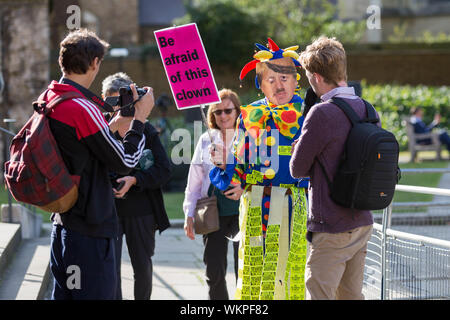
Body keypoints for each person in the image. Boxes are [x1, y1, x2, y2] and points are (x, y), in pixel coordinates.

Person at [47, 29, 155, 300]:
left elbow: (79, 150)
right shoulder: (83, 108)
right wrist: (139, 119)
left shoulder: (53, 98)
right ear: (95, 63)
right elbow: (126, 161)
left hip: (63, 226)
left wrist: (111, 127)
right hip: (89, 231)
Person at [209, 38, 309, 300]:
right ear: (261, 85)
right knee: (254, 269)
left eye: (285, 77)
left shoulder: (309, 112)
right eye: (271, 79)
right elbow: (241, 162)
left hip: (290, 203)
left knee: (286, 271)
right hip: (254, 206)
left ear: (296, 80)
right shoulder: (249, 114)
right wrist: (226, 166)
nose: (279, 84)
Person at [289, 36, 375, 300]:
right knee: (351, 295)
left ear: (316, 77)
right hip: (361, 221)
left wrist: (302, 131)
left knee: (321, 294)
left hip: (331, 225)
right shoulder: (367, 109)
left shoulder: (322, 113)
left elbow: (297, 168)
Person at [101, 72, 171, 300]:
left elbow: (163, 169)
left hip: (141, 211)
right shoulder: (101, 129)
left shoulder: (146, 130)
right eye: (109, 102)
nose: (115, 109)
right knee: (110, 268)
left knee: (142, 266)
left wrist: (135, 180)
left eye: (119, 102)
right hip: (108, 210)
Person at [183, 89, 242, 300]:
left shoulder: (248, 137)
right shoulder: (206, 140)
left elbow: (258, 173)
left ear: (237, 111)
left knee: (243, 269)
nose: (223, 116)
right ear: (212, 116)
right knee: (214, 270)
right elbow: (195, 180)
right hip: (212, 209)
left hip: (241, 209)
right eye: (218, 112)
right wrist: (189, 213)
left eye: (228, 110)